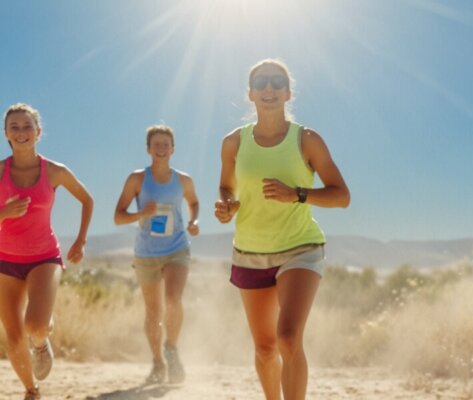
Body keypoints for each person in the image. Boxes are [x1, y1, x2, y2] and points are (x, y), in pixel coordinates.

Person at [214, 59, 350, 400]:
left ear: (288, 92)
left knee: (288, 338)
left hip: (300, 248)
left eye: (277, 82)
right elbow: (226, 187)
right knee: (264, 349)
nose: (269, 89)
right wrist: (227, 204)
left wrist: (298, 194)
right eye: (261, 83)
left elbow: (341, 196)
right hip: (250, 252)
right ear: (250, 94)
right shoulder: (233, 143)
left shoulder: (307, 140)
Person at [0, 103, 93, 400]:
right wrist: (4, 212)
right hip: (5, 261)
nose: (21, 132)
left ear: (38, 132)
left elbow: (87, 200)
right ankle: (31, 390)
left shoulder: (54, 171)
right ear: (6, 135)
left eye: (27, 126)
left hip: (44, 257)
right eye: (14, 127)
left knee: (36, 325)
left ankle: (41, 342)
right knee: (14, 340)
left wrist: (80, 241)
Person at [113, 125, 199, 385]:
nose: (161, 149)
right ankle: (157, 363)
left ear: (173, 149)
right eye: (156, 144)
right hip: (146, 252)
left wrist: (194, 221)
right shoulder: (137, 179)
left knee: (173, 300)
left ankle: (171, 348)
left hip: (176, 247)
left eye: (166, 144)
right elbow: (118, 216)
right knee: (153, 312)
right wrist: (141, 214)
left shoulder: (183, 180)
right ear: (148, 149)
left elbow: (194, 202)